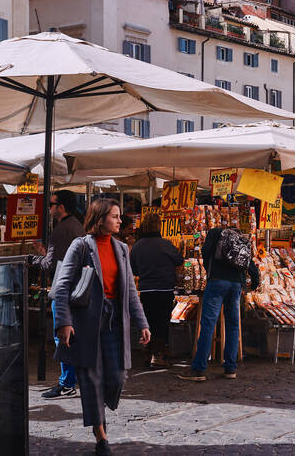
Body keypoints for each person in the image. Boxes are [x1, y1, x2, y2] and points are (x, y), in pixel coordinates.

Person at [53, 198, 150, 456]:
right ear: (100, 218)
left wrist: (141, 323)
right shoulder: (81, 246)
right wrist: (63, 322)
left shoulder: (121, 249)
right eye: (115, 216)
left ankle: (98, 408)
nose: (121, 221)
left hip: (115, 319)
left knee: (117, 376)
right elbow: (62, 286)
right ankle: (101, 436)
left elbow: (130, 291)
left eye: (119, 217)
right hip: (86, 322)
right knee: (90, 378)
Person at [179, 227, 259, 381]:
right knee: (233, 325)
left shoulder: (215, 233)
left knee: (208, 324)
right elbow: (250, 262)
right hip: (236, 284)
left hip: (217, 282)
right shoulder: (239, 238)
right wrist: (253, 283)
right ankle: (230, 368)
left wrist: (211, 270)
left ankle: (199, 369)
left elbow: (206, 251)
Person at [36, 190, 85, 399]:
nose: (49, 208)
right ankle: (72, 380)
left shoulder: (60, 230)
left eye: (51, 204)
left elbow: (50, 264)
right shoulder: (77, 225)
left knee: (62, 337)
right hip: (76, 289)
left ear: (61, 207)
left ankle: (67, 383)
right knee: (72, 337)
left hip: (63, 290)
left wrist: (37, 256)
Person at [130, 212, 183, 367]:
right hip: (164, 289)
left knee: (149, 321)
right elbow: (179, 260)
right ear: (158, 226)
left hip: (146, 290)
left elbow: (134, 270)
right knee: (161, 322)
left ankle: (148, 352)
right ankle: (158, 355)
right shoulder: (165, 244)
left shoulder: (137, 246)